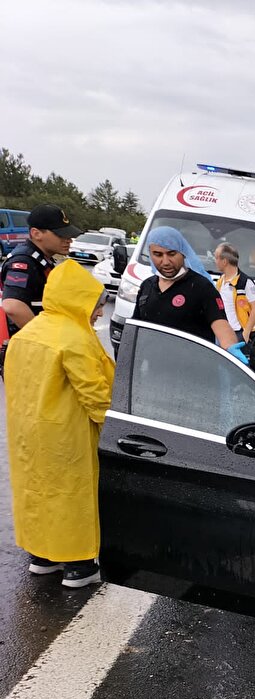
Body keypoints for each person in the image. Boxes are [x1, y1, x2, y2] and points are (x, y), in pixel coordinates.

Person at [4, 260, 114, 588]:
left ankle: (43, 556)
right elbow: (95, 395)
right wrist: (113, 430)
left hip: (27, 432)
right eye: (96, 306)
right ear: (78, 300)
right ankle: (79, 566)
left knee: (36, 491)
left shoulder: (29, 333)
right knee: (70, 496)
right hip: (67, 431)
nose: (98, 313)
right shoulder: (75, 339)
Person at [132, 226, 245, 359]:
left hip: (193, 372)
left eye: (172, 254)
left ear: (183, 252)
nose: (166, 262)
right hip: (152, 370)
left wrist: (230, 348)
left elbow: (220, 325)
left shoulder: (201, 287)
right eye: (158, 254)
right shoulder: (147, 287)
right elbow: (136, 329)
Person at [1, 203, 83, 334]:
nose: (69, 240)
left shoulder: (41, 259)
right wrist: (44, 338)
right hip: (23, 346)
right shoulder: (24, 262)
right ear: (36, 233)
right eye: (61, 235)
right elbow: (13, 306)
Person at [214, 242, 255, 343]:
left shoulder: (245, 283)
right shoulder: (220, 281)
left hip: (238, 334)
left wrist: (246, 332)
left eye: (216, 258)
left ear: (224, 261)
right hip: (222, 332)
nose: (215, 261)